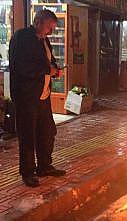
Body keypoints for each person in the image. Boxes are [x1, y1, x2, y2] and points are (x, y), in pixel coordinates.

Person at [9, 9, 66, 187]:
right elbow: (22, 67)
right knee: (28, 135)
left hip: (43, 95)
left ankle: (44, 165)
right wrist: (47, 70)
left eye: (53, 28)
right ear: (39, 21)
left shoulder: (44, 40)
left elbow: (49, 61)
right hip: (27, 96)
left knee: (47, 131)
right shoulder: (22, 37)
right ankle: (27, 172)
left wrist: (56, 68)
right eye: (49, 27)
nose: (51, 31)